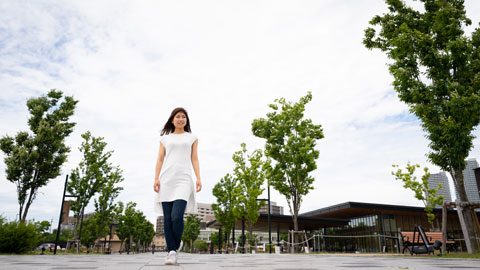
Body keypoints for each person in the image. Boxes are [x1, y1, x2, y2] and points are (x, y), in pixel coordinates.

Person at [153, 107, 202, 265]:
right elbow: (160, 159)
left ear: (186, 121)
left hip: (184, 179)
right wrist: (156, 178)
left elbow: (194, 159)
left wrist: (198, 178)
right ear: (172, 120)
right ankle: (172, 251)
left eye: (183, 117)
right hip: (167, 179)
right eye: (178, 116)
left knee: (176, 216)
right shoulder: (165, 139)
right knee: (167, 218)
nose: (181, 119)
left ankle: (176, 243)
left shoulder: (192, 138)